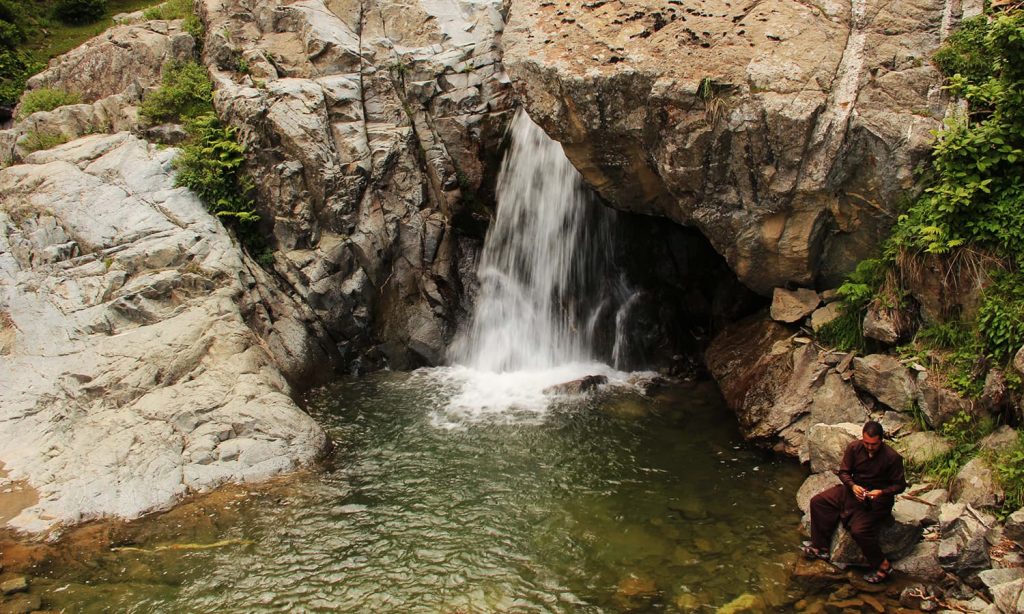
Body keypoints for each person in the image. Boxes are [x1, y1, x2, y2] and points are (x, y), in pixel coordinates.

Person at [801, 420, 908, 583]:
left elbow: (900, 486)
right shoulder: (854, 448)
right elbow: (844, 472)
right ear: (862, 438)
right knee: (818, 502)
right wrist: (852, 485)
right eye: (867, 443)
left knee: (859, 530)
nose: (870, 447)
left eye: (874, 444)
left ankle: (882, 565)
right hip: (853, 491)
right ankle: (820, 546)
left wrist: (881, 492)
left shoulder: (892, 458)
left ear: (881, 440)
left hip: (877, 501)